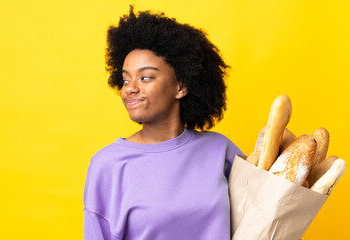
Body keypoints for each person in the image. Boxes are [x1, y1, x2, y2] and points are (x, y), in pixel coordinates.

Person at [83, 5, 245, 240]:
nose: (130, 89)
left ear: (181, 86)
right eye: (126, 79)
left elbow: (261, 213)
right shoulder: (107, 165)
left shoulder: (220, 150)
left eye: (145, 77)